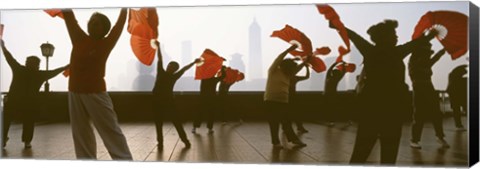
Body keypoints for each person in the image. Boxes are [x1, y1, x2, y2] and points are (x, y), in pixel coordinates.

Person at [329, 20, 437, 164]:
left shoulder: (370, 50)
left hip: (370, 109)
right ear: (385, 37)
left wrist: (338, 26)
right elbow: (415, 44)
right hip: (392, 110)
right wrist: (429, 36)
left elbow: (353, 36)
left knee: (361, 151)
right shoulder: (397, 52)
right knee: (389, 153)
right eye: (394, 34)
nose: (397, 37)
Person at [62, 8, 132, 160]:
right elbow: (69, 17)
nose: (93, 25)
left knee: (110, 131)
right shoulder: (78, 37)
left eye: (97, 24)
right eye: (92, 22)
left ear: (105, 30)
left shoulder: (106, 43)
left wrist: (125, 8)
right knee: (81, 134)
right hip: (74, 93)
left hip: (96, 94)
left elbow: (119, 25)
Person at [1, 40, 68, 149]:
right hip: (29, 103)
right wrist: (66, 67)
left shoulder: (19, 69)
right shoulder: (39, 74)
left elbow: (9, 57)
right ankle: (26, 141)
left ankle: (4, 139)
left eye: (28, 62)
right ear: (38, 65)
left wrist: (3, 46)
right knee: (28, 121)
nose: (28, 63)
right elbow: (54, 72)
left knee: (6, 119)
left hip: (13, 101)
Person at [152, 41, 199, 149]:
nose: (169, 67)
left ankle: (185, 140)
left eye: (172, 67)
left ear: (175, 70)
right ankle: (160, 142)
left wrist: (193, 62)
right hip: (157, 102)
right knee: (158, 123)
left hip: (168, 102)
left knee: (176, 122)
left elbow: (184, 69)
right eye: (169, 65)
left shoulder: (174, 76)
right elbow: (160, 59)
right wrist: (158, 47)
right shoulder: (161, 71)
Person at [264, 44, 307, 149]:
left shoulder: (289, 74)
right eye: (291, 68)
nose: (293, 70)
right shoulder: (273, 71)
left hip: (283, 101)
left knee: (286, 121)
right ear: (284, 67)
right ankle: (276, 142)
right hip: (271, 100)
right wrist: (289, 50)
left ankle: (294, 139)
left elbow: (298, 68)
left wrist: (306, 62)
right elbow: (279, 59)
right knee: (274, 122)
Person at [408, 42, 449, 149]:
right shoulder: (415, 61)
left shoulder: (424, 61)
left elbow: (433, 59)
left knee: (436, 113)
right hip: (419, 87)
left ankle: (440, 137)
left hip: (429, 87)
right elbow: (423, 65)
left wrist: (442, 51)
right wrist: (439, 53)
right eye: (427, 52)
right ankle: (414, 139)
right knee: (419, 114)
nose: (428, 55)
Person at [192, 65, 226, 134]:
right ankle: (210, 128)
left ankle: (195, 127)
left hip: (203, 98)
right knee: (210, 114)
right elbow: (223, 76)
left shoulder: (204, 79)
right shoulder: (214, 79)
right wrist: (222, 68)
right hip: (212, 99)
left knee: (199, 113)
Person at [324, 61, 347, 127]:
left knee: (330, 108)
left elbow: (329, 69)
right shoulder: (337, 78)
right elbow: (343, 72)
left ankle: (331, 121)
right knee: (333, 108)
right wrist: (343, 65)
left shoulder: (329, 77)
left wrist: (335, 63)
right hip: (333, 95)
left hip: (327, 95)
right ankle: (332, 121)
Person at [289, 61, 310, 133]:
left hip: (292, 96)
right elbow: (307, 76)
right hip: (289, 96)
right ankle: (299, 127)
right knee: (294, 112)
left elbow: (307, 77)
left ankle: (299, 127)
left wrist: (306, 67)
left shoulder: (294, 77)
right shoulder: (292, 77)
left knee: (295, 112)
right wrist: (306, 67)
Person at [446, 64, 468, 131]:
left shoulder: (452, 77)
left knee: (456, 111)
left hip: (455, 95)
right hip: (458, 96)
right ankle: (459, 125)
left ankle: (458, 125)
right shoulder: (460, 80)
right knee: (461, 110)